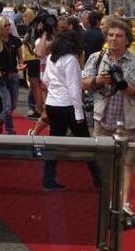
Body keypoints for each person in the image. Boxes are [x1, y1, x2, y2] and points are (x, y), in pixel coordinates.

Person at [82, 18, 135, 214]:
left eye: (119, 36)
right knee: (104, 163)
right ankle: (105, 201)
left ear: (127, 40)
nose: (113, 39)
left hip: (129, 119)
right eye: (111, 35)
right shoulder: (97, 58)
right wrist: (97, 80)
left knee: (128, 163)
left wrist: (132, 90)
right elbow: (82, 83)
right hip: (103, 117)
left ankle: (125, 204)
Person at [40, 30, 98, 191]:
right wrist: (79, 113)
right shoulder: (71, 60)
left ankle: (48, 178)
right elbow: (74, 88)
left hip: (53, 103)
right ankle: (98, 178)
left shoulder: (52, 58)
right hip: (68, 105)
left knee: (54, 142)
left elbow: (45, 80)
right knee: (87, 145)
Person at [0, 16, 21, 135]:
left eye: (9, 25)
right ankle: (10, 129)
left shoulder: (16, 41)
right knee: (7, 104)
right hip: (0, 76)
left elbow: (20, 58)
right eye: (5, 26)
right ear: (0, 28)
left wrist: (21, 64)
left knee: (12, 105)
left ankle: (0, 118)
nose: (8, 28)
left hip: (13, 75)